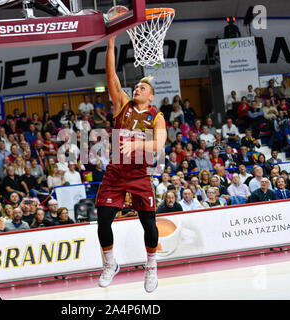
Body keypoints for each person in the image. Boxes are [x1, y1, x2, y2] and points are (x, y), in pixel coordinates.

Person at [94, 36, 167, 293]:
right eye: (136, 87)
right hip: (116, 172)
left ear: (151, 96)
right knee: (103, 220)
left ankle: (151, 267)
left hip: (138, 174)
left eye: (142, 88)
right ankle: (110, 263)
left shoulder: (156, 117)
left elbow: (158, 145)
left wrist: (137, 146)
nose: (137, 89)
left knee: (149, 224)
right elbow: (111, 73)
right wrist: (111, 42)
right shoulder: (122, 104)